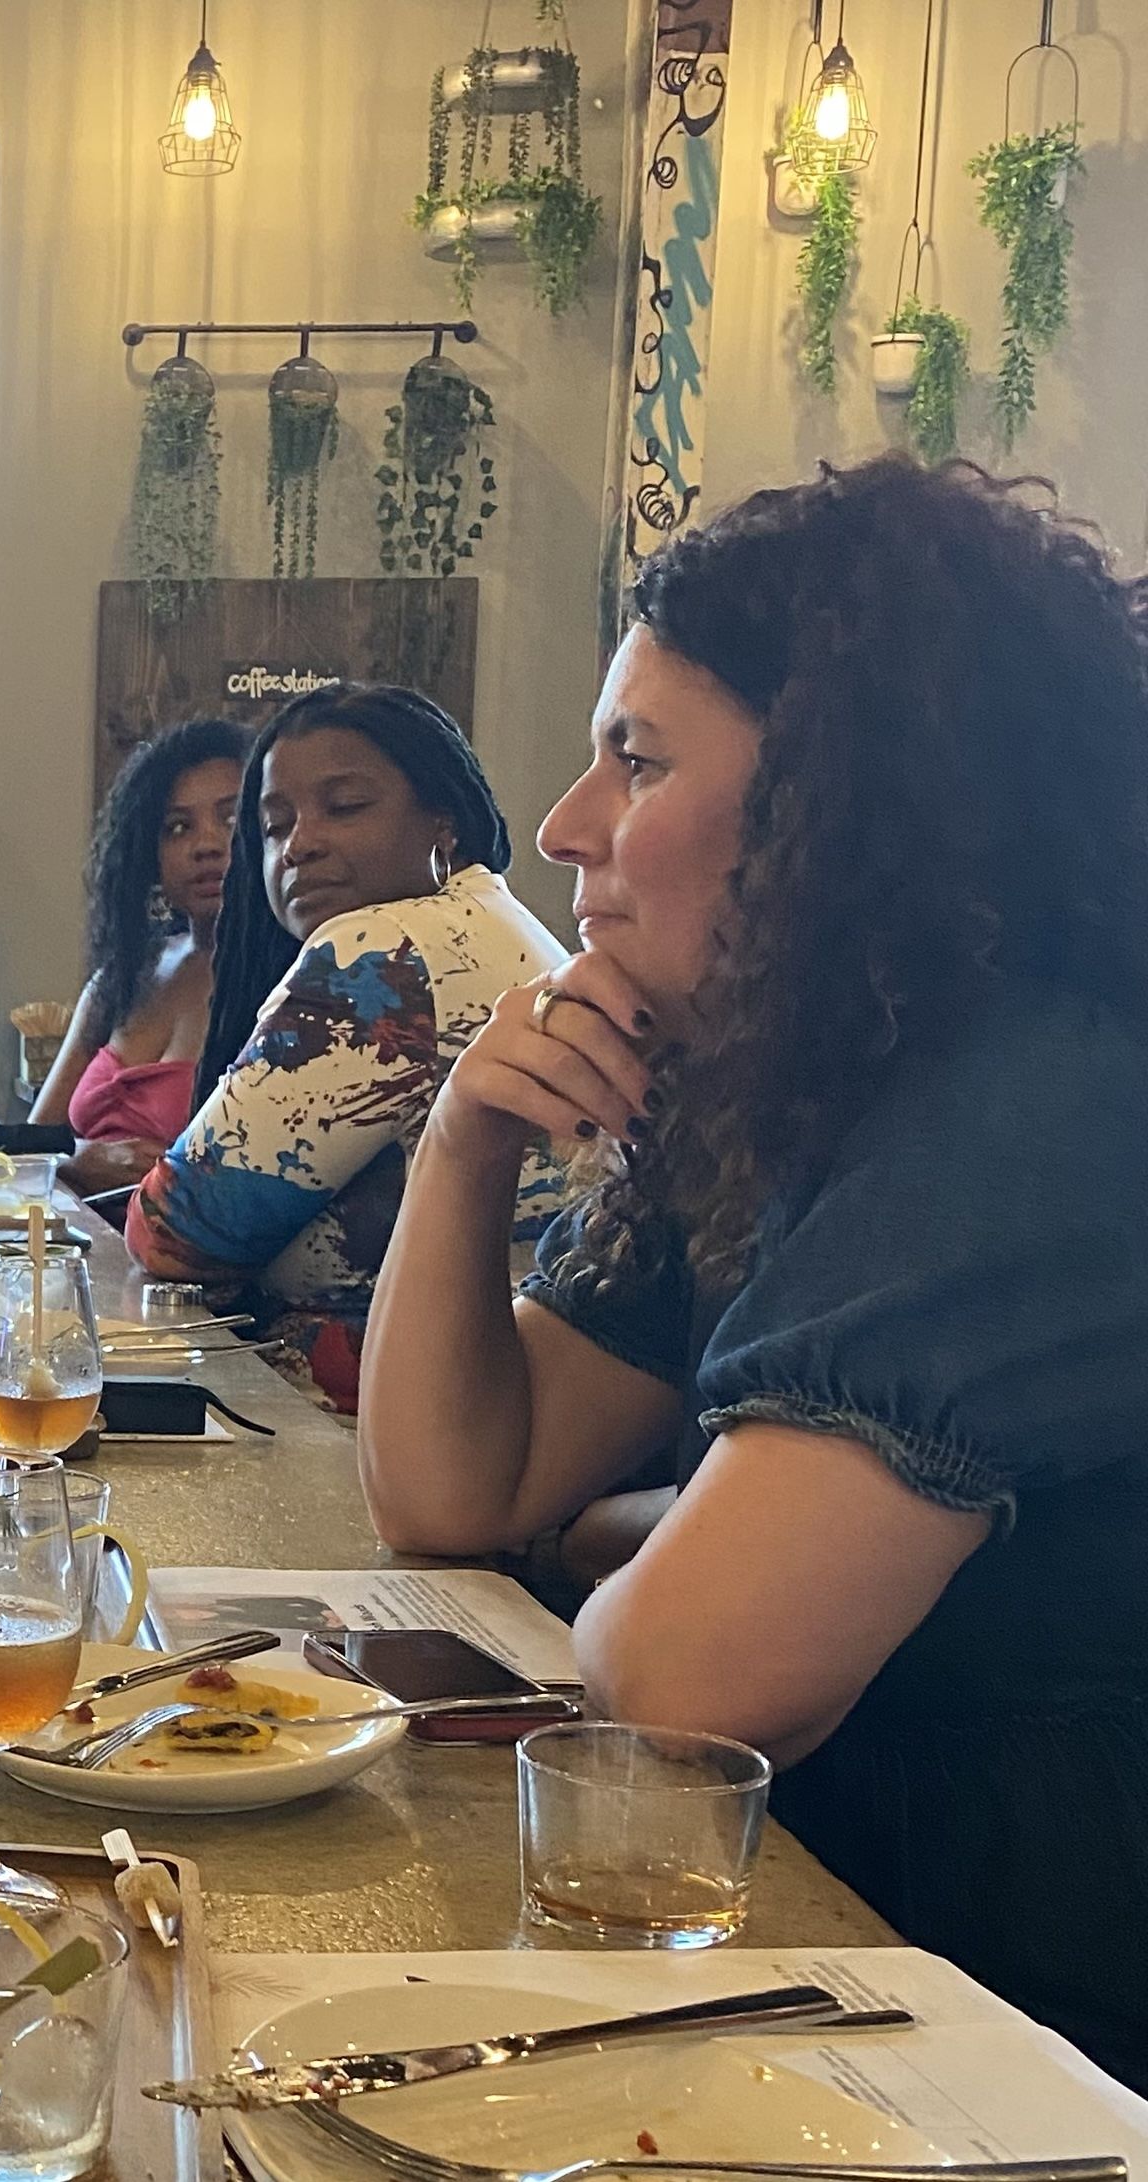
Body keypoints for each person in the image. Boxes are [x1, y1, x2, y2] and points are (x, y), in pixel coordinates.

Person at [358, 458, 1148, 2084]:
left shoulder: (1035, 1102)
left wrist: (629, 1531)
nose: (566, 825)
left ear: (842, 803)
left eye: (632, 762)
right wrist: (463, 1138)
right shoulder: (809, 1077)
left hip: (1025, 2034)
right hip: (848, 1960)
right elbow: (454, 1484)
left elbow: (677, 1679)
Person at [126, 684, 567, 1408]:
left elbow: (175, 1235)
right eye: (272, 826)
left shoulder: (384, 950)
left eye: (346, 806)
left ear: (444, 822)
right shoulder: (492, 919)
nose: (300, 844)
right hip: (518, 1397)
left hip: (414, 1426)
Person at [29, 716, 249, 1193]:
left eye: (230, 819)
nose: (206, 844)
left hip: (187, 1261)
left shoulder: (289, 984)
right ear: (149, 854)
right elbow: (29, 1146)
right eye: (177, 827)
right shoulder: (125, 977)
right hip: (76, 1250)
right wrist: (79, 1159)